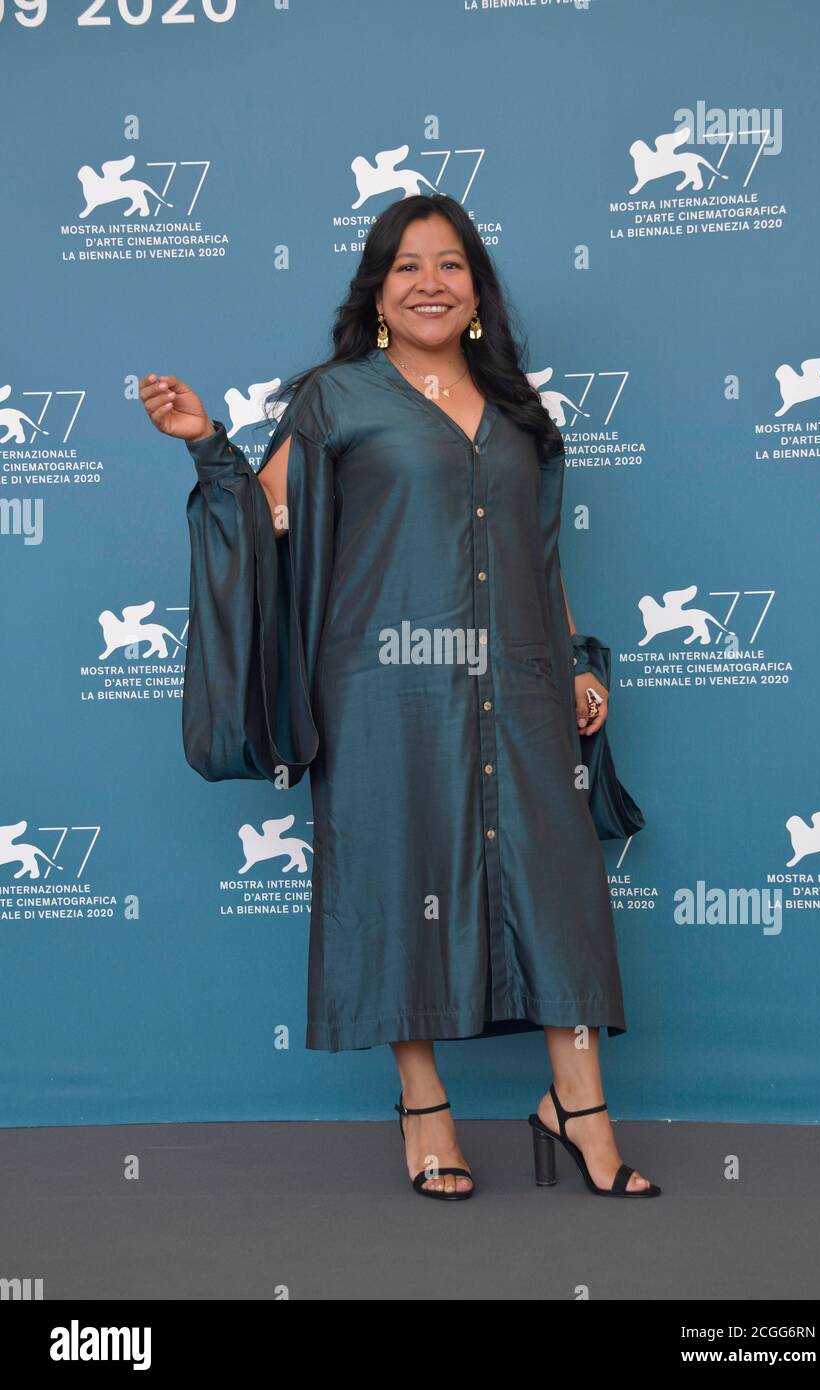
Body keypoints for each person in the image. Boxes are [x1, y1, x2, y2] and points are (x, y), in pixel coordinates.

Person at [139, 193, 660, 1202]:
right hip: (382, 695)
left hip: (520, 685)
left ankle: (578, 1110)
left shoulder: (518, 415)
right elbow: (263, 523)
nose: (430, 280)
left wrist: (575, 657)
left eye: (451, 264)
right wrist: (208, 446)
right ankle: (425, 1112)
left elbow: (538, 556)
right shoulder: (339, 397)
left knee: (555, 889)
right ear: (378, 292)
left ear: (477, 293)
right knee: (397, 882)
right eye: (407, 264)